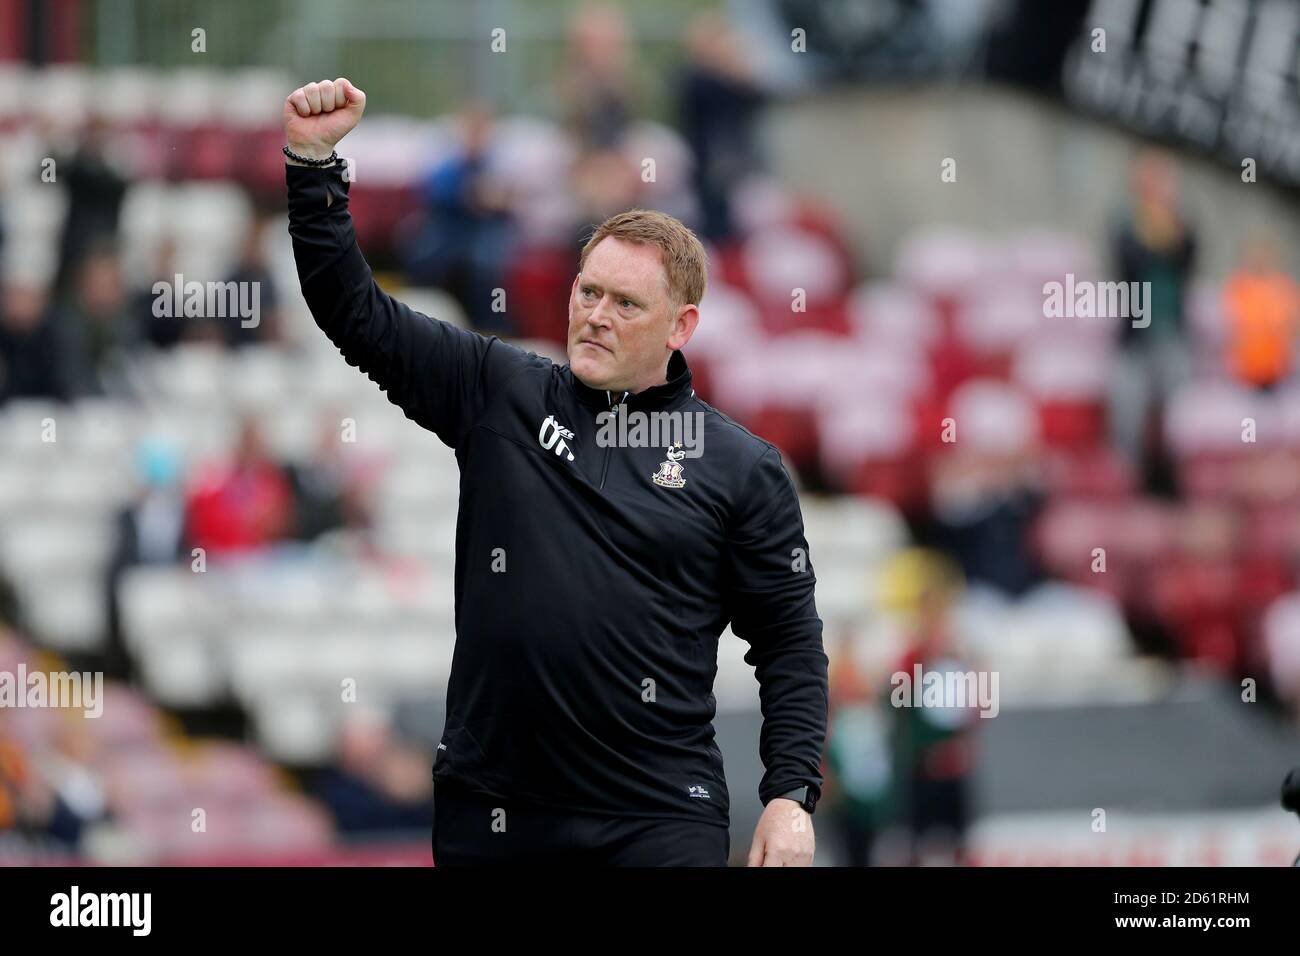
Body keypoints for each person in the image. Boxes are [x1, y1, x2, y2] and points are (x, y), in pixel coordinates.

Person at [282, 77, 827, 867]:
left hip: (656, 822)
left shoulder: (741, 468)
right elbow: (351, 309)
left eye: (625, 304)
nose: (596, 314)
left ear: (683, 327)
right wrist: (312, 164)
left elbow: (790, 646)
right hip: (495, 814)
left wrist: (788, 794)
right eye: (588, 290)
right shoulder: (498, 388)